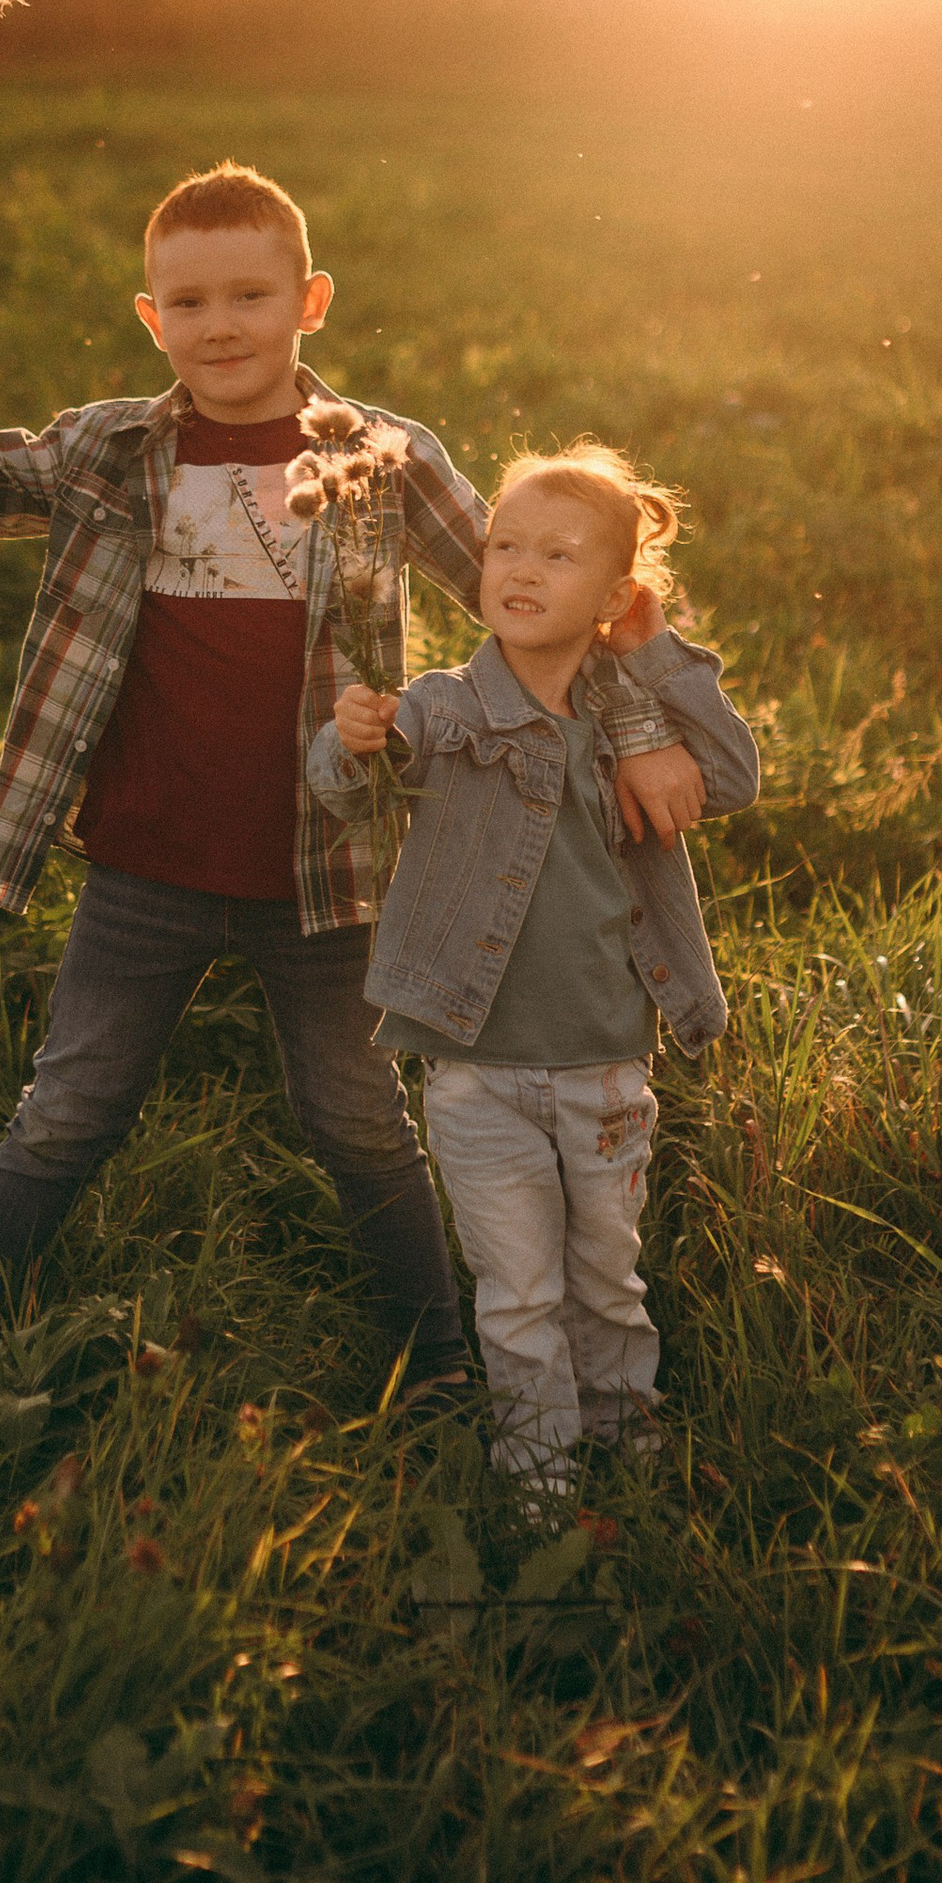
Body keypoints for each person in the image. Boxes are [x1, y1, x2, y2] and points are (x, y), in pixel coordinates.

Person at [0, 164, 705, 1381]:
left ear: (311, 300)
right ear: (149, 317)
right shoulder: (107, 449)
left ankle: (439, 1368)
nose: (220, 325)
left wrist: (643, 725)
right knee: (66, 1110)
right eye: (188, 303)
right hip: (144, 864)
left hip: (328, 876)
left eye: (249, 294)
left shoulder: (381, 459)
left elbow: (541, 606)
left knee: (355, 1123)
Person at [310, 442, 757, 1494]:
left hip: (603, 1064)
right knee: (513, 1289)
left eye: (557, 556)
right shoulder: (442, 707)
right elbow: (341, 789)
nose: (519, 567)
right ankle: (540, 1482)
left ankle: (623, 1443)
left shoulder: (630, 720)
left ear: (611, 596)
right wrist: (348, 737)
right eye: (505, 543)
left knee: (605, 1278)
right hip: (474, 1066)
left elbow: (731, 775)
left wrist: (651, 648)